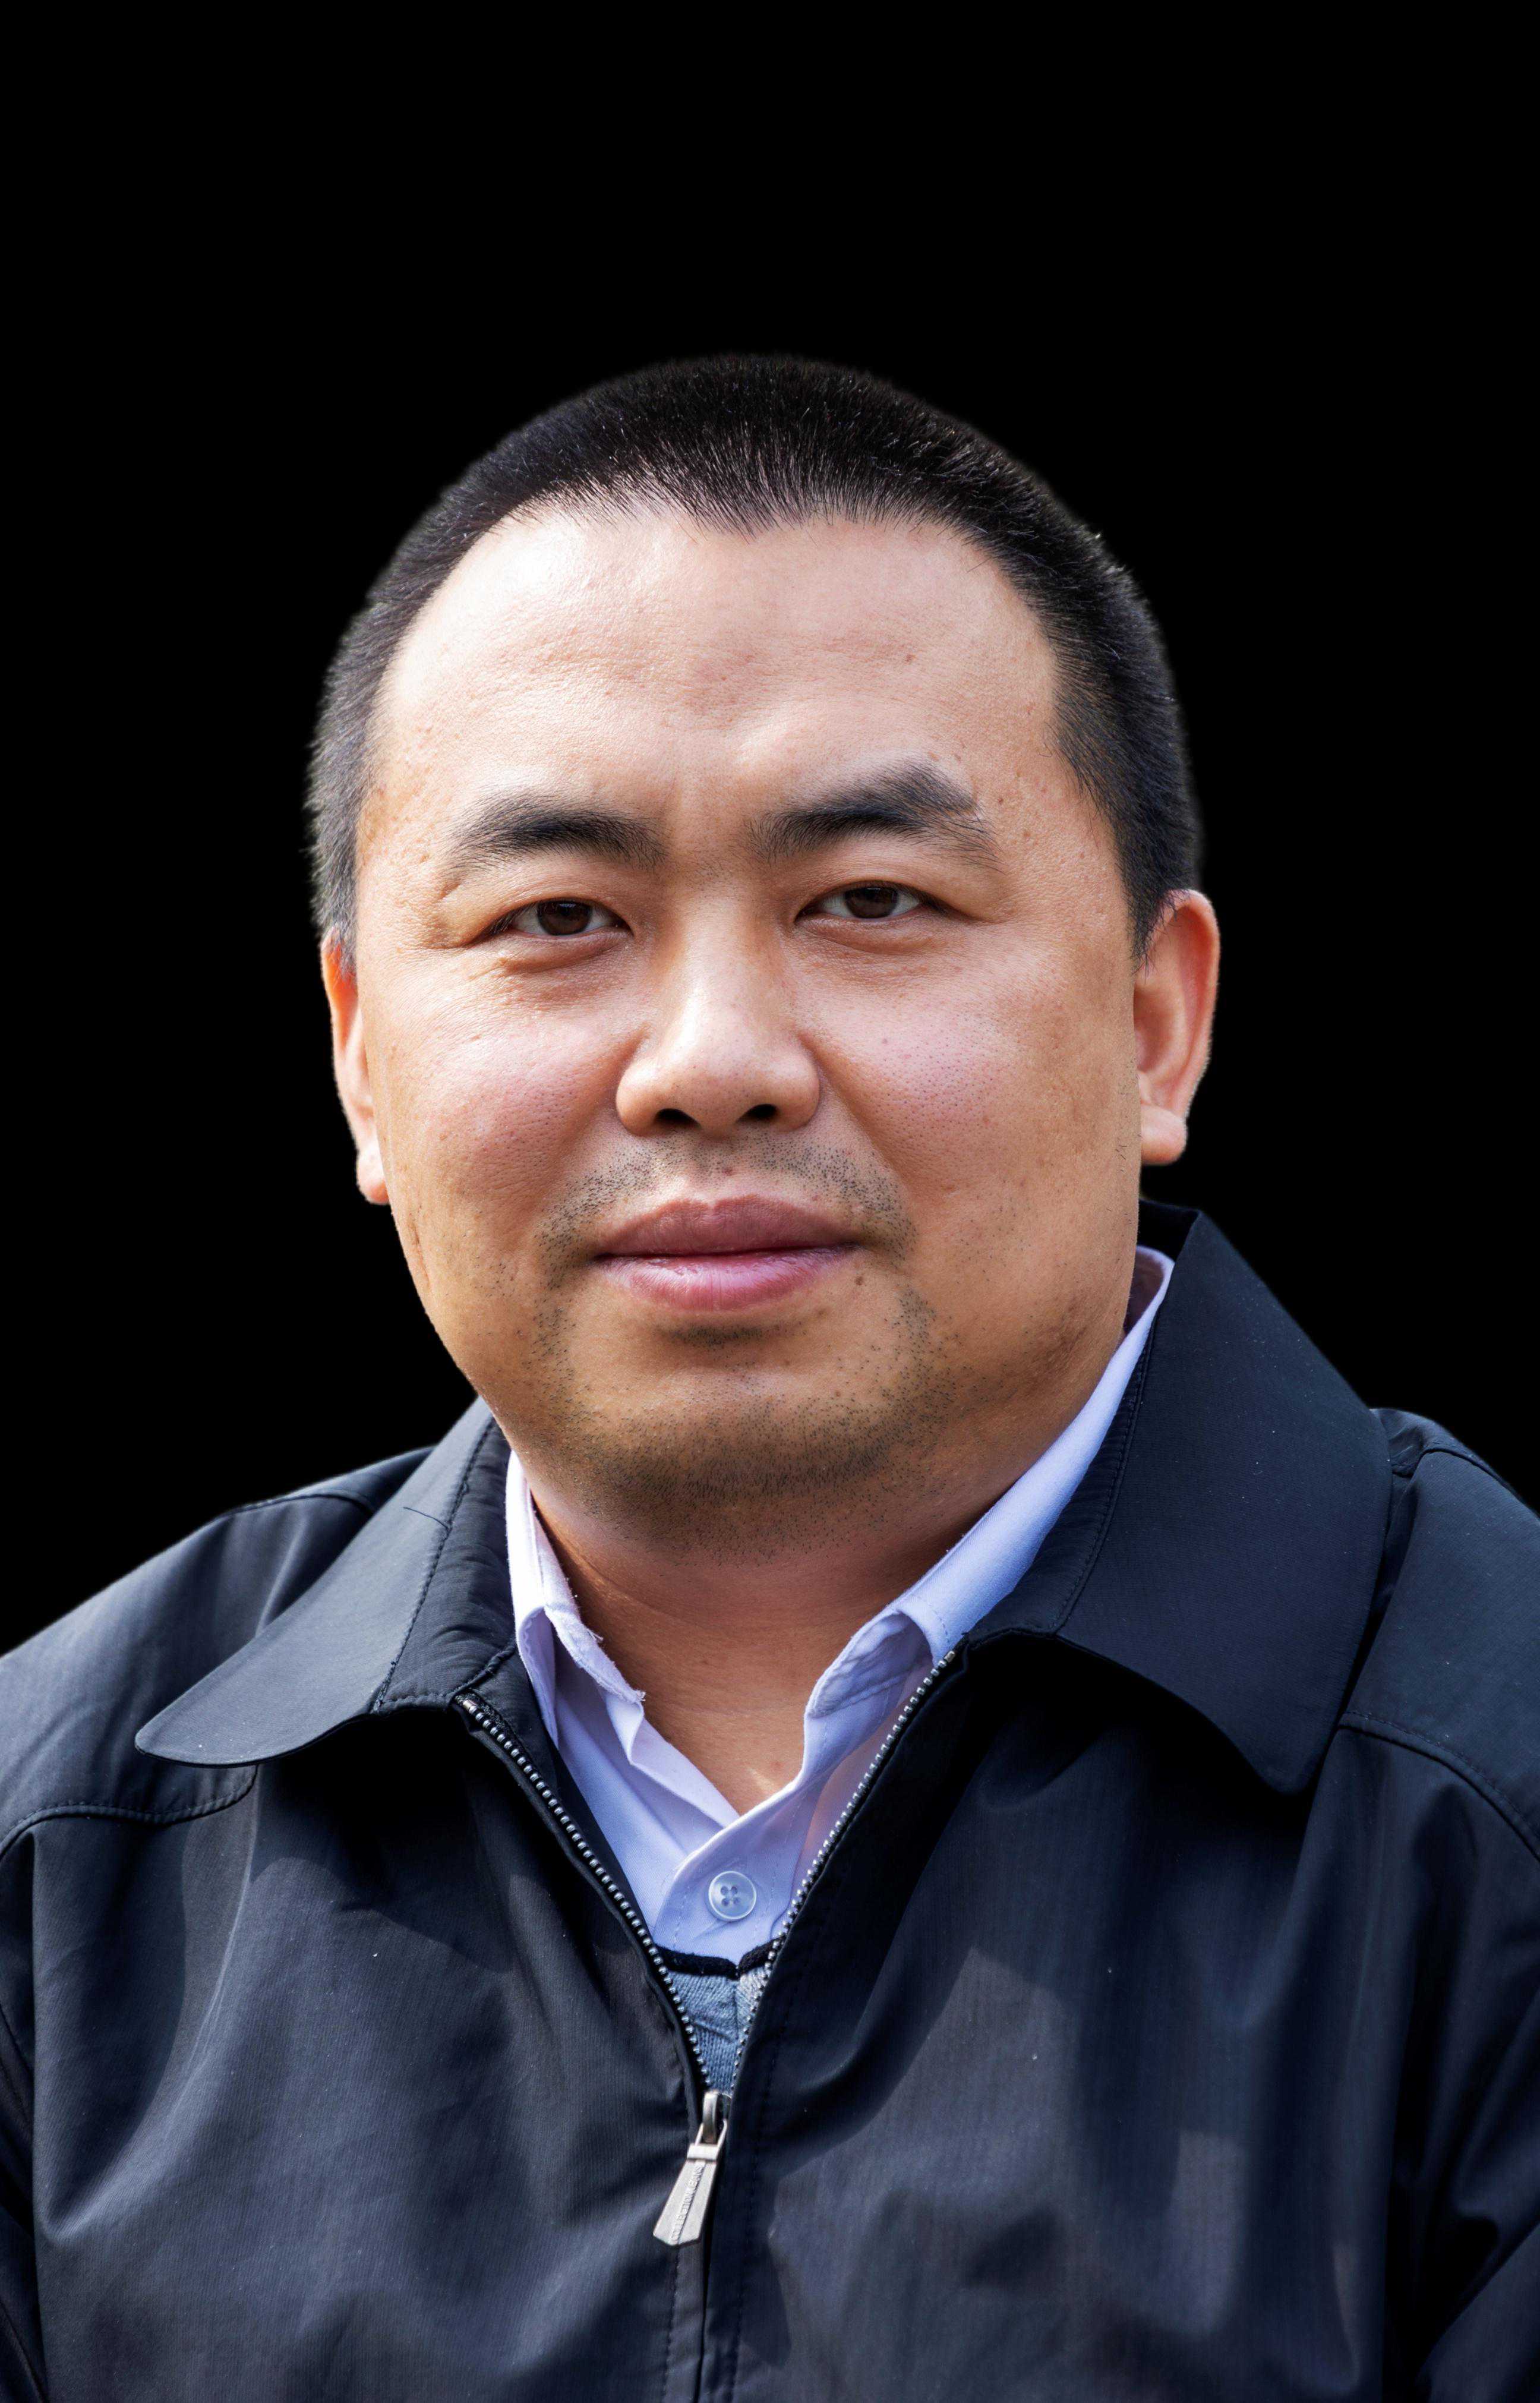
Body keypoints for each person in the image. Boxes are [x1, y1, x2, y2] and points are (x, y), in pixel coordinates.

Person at [1, 358, 1534, 2402]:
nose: (712, 1057)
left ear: (1159, 1022)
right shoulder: (59, 1847)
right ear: (360, 1055)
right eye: (559, 916)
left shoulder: (1497, 1792)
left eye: (871, 900)